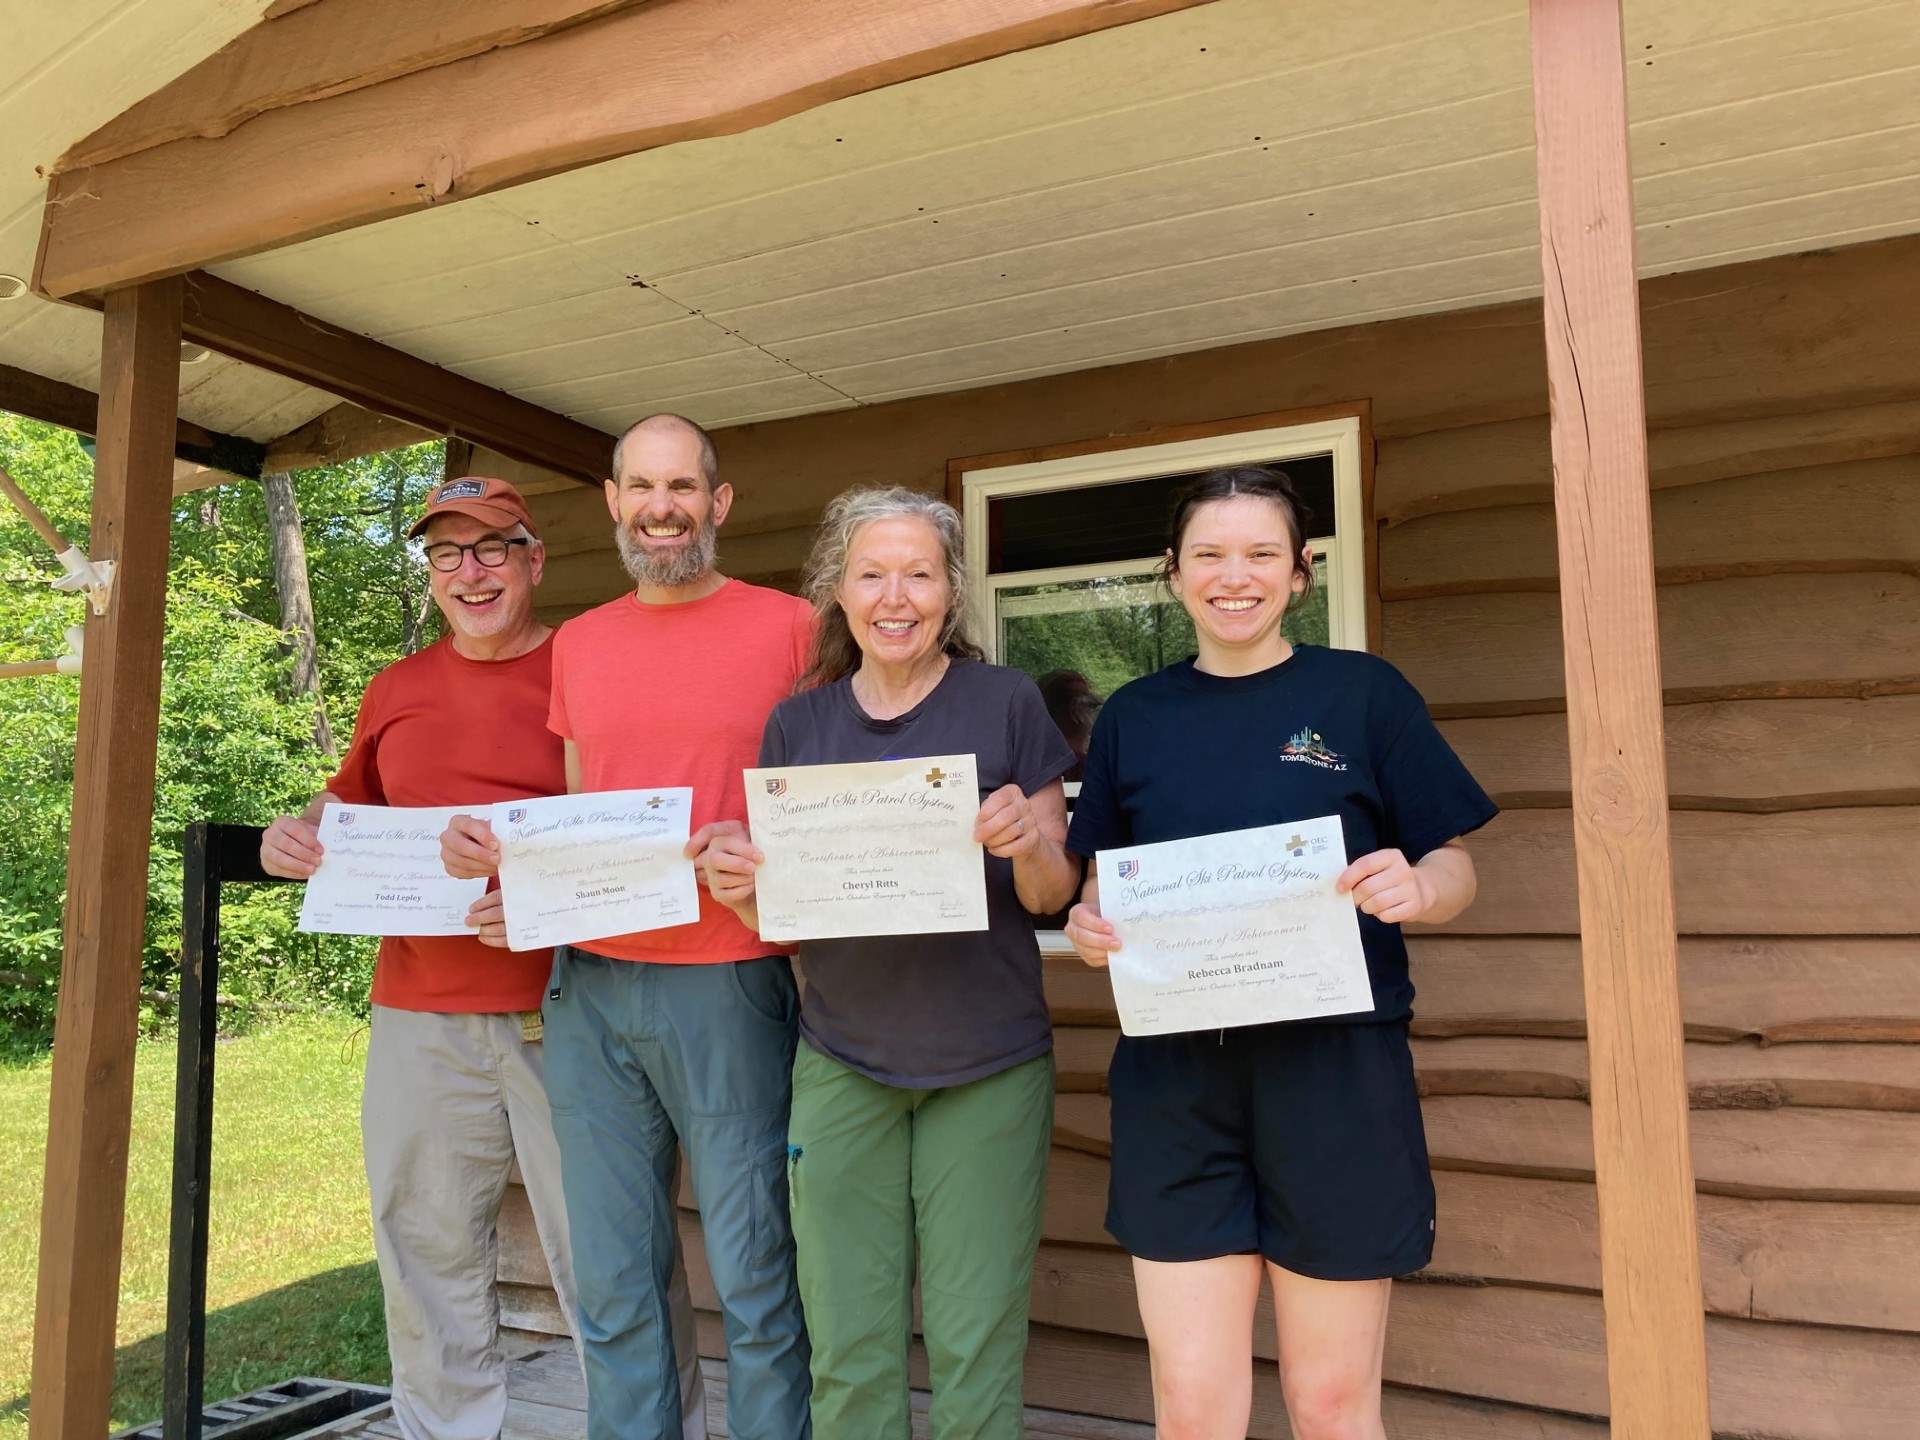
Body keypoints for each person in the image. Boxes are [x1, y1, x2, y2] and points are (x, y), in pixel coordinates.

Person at [258, 476, 706, 1440]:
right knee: (426, 1250)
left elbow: (640, 834)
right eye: (446, 554)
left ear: (534, 561)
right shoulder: (397, 687)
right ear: (429, 573)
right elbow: (351, 809)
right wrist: (296, 833)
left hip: (574, 1009)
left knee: (612, 1252)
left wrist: (541, 895)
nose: (470, 573)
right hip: (419, 1013)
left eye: (493, 549)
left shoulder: (592, 666)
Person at [1061, 465, 1496, 1440]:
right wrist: (1091, 927)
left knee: (1332, 1404)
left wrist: (1422, 889)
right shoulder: (1134, 717)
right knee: (1193, 1406)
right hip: (1178, 1083)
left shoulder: (1363, 695)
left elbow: (1452, 863)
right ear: (1173, 574)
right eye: (1209, 554)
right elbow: (1101, 887)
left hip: (1337, 1072)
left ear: (1301, 574)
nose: (1235, 575)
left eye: (1262, 553)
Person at [442, 415, 813, 1440]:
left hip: (732, 978)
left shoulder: (790, 627)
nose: (662, 508)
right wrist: (521, 885)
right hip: (590, 987)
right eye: (642, 487)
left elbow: (822, 805)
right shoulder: (584, 644)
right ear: (612, 502)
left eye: (683, 487)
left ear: (718, 504)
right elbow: (574, 804)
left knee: (755, 1273)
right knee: (612, 1280)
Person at [698, 486, 1081, 1438]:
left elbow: (1051, 895)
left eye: (919, 573)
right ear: (839, 589)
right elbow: (784, 913)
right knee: (850, 1346)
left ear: (951, 591)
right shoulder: (800, 726)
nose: (896, 595)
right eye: (873, 573)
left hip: (988, 1065)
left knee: (974, 1342)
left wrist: (1026, 840)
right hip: (842, 1062)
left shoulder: (1005, 703)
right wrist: (736, 883)